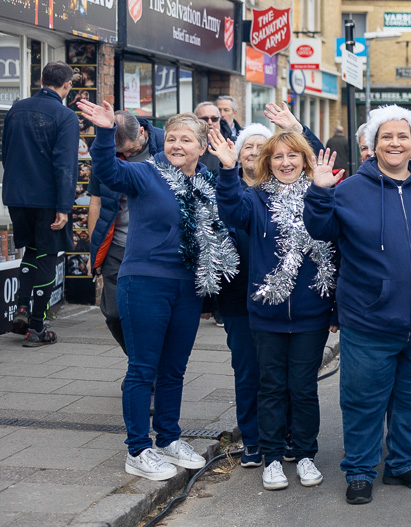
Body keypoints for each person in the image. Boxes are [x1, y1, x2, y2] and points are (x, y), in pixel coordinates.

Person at [79, 99, 240, 481]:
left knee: (174, 369)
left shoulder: (205, 183)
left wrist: (231, 169)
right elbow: (106, 170)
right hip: (145, 282)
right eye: (171, 139)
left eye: (186, 139)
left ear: (203, 148)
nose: (177, 145)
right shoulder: (144, 174)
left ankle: (169, 438)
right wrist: (104, 132)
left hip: (187, 287)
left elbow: (230, 214)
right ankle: (138, 448)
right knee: (143, 369)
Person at [304, 106, 411, 504]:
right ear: (371, 143)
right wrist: (318, 191)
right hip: (369, 320)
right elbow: (319, 230)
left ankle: (401, 464)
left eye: (402, 136)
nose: (395, 143)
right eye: (386, 136)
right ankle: (360, 471)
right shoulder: (349, 190)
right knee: (363, 402)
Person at [212, 127, 337, 491]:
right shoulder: (255, 199)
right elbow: (231, 211)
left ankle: (305, 454)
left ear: (303, 159)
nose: (285, 162)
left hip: (311, 314)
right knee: (270, 388)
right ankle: (270, 459)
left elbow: (334, 241)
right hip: (266, 314)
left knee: (302, 388)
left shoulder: (320, 195)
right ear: (268, 162)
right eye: (278, 156)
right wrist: (227, 169)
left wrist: (323, 189)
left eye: (292, 155)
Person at [1, 62, 77, 345]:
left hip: (16, 195)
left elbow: (5, 152)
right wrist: (64, 207)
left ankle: (21, 308)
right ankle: (36, 326)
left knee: (30, 249)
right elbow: (65, 165)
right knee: (47, 254)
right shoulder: (66, 116)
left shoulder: (16, 109)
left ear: (42, 79)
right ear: (66, 85)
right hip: (47, 199)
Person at [88, 111, 164, 353]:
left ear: (142, 132)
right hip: (117, 246)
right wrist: (95, 246)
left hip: (156, 248)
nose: (127, 156)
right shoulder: (105, 151)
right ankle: (140, 362)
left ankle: (146, 367)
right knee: (113, 313)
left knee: (150, 315)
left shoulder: (166, 146)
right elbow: (96, 202)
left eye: (131, 151)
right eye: (122, 152)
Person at [195, 102, 226, 174]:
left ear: (219, 120)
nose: (210, 122)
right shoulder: (187, 145)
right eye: (204, 119)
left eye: (214, 119)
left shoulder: (231, 143)